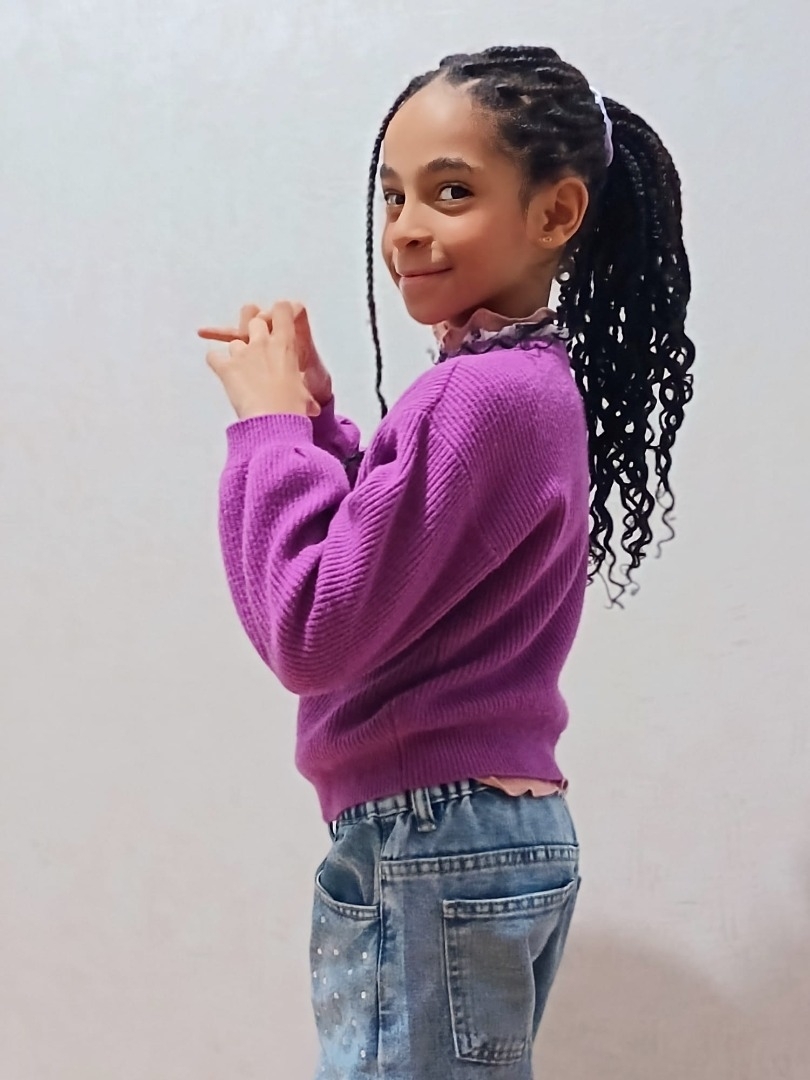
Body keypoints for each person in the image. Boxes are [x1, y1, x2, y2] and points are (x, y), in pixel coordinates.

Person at [198, 43, 694, 1080]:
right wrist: (320, 426)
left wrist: (269, 431)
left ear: (555, 214)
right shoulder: (522, 385)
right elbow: (398, 575)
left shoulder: (474, 395)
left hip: (429, 836)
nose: (406, 228)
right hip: (487, 827)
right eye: (393, 196)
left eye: (451, 192)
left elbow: (312, 631)